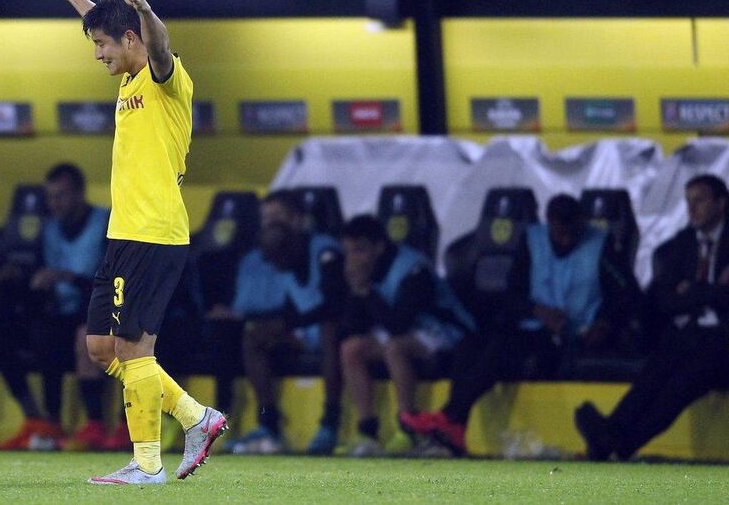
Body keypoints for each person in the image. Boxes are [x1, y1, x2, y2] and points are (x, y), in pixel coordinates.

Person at [43, 0, 226, 484]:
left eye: (102, 44)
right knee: (101, 348)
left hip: (156, 232)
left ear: (131, 39)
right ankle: (195, 417)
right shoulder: (127, 76)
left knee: (133, 351)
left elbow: (158, 47)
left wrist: (144, 8)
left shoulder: (166, 79)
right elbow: (107, 23)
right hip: (124, 233)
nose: (97, 53)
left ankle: (147, 464)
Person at [403, 194, 640, 455]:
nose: (567, 240)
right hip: (534, 325)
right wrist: (537, 311)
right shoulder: (532, 240)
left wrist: (605, 322)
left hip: (575, 335)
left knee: (506, 345)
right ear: (548, 222)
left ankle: (450, 418)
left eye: (573, 233)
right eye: (560, 234)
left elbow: (626, 292)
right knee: (471, 345)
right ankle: (456, 425)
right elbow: (513, 293)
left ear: (581, 224)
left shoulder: (600, 245)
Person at [576, 174, 729, 461]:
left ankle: (612, 440)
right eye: (688, 201)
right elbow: (665, 300)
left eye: (700, 201)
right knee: (655, 376)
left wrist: (692, 291)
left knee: (682, 382)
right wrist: (711, 291)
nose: (692, 209)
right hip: (688, 335)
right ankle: (613, 438)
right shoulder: (683, 244)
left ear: (721, 204)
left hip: (722, 340)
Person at [0, 164, 111, 451]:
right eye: (51, 197)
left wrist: (66, 277)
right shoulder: (48, 229)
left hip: (98, 309)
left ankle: (95, 423)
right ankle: (45, 421)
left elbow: (111, 280)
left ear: (80, 193)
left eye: (62, 196)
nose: (54, 203)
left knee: (83, 335)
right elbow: (38, 269)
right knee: (5, 331)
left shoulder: (105, 223)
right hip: (59, 310)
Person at [339, 215, 476, 457]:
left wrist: (366, 291)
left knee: (395, 347)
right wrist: (356, 293)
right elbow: (351, 325)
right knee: (350, 348)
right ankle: (367, 431)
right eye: (348, 251)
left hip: (446, 331)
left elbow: (399, 324)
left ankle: (407, 428)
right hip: (408, 330)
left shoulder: (413, 269)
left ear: (379, 247)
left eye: (359, 250)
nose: (352, 259)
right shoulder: (364, 272)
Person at [221, 190, 345, 455]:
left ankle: (330, 423)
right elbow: (293, 305)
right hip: (304, 328)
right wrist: (286, 328)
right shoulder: (279, 255)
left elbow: (336, 306)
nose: (271, 223)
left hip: (336, 327)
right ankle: (268, 422)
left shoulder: (324, 250)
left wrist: (293, 326)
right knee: (254, 336)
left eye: (277, 216)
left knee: (329, 331)